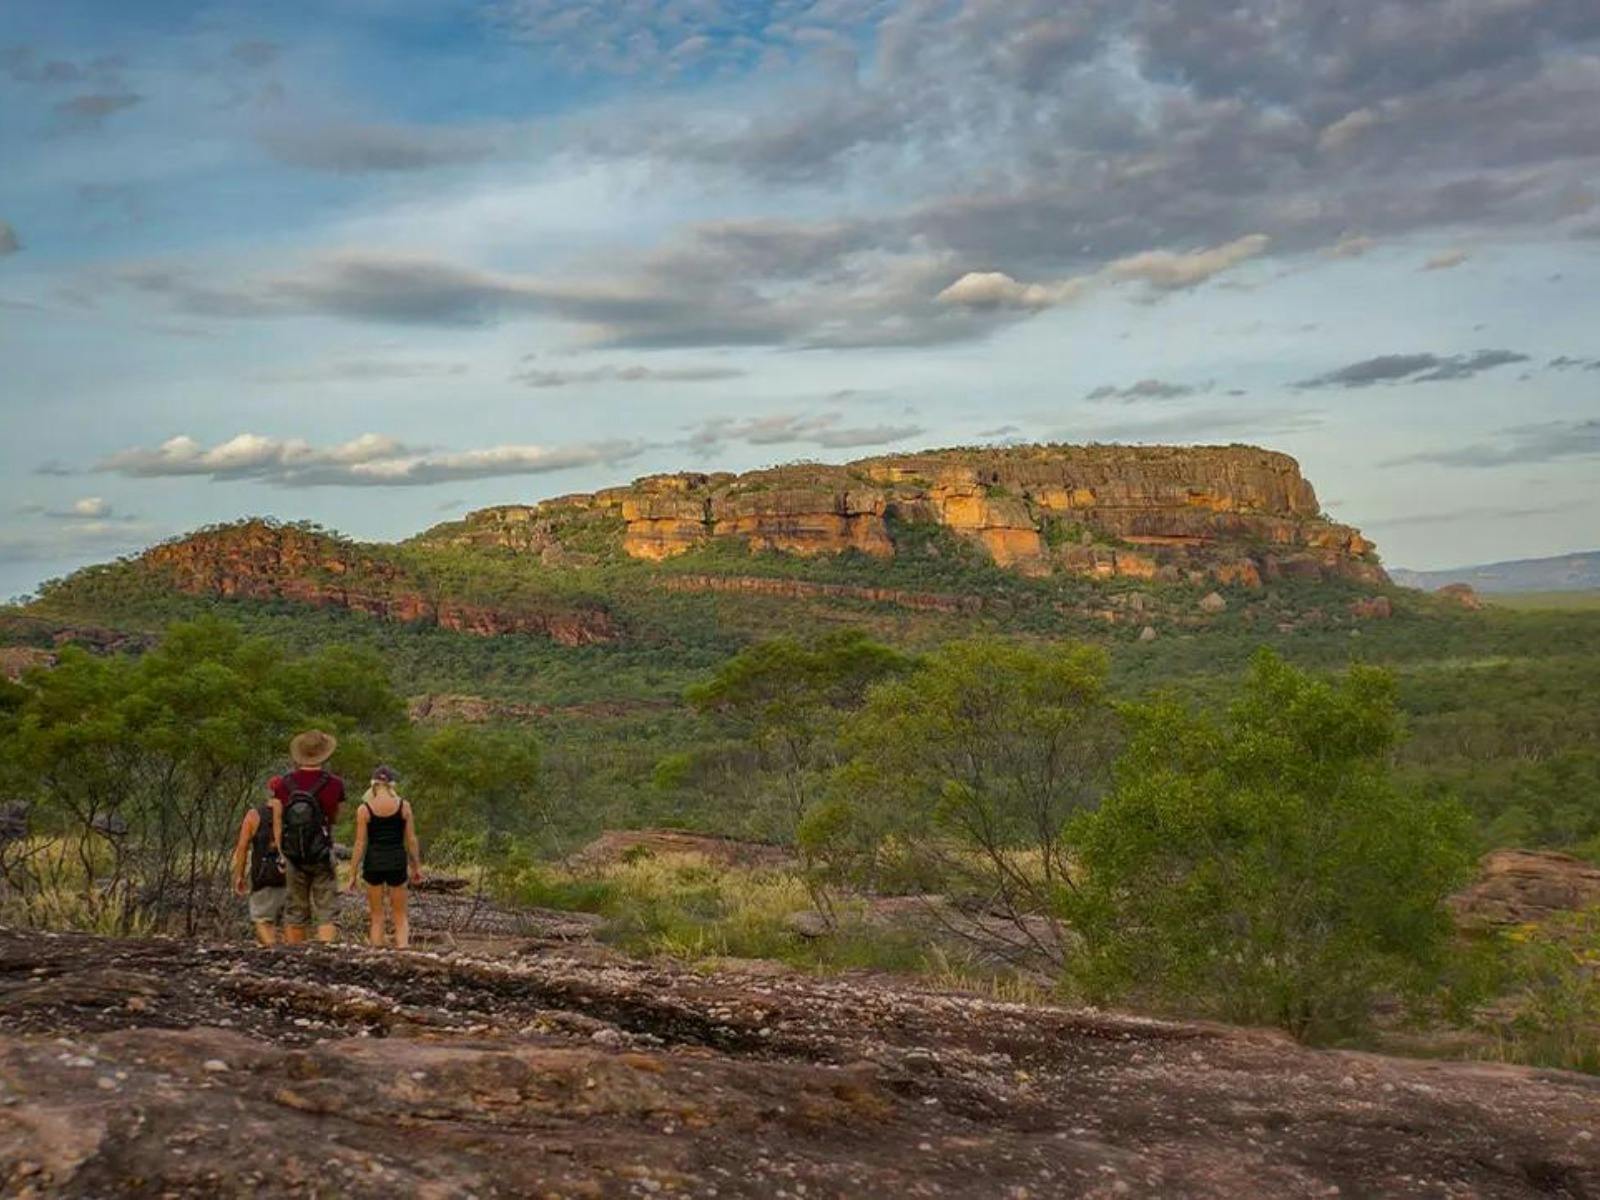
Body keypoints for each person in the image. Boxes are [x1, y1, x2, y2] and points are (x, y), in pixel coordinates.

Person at [269, 730, 346, 945]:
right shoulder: (335, 784)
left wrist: (281, 851)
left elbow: (277, 820)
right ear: (324, 754)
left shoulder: (283, 785)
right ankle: (326, 952)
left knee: (295, 910)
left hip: (293, 853)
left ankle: (296, 957)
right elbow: (335, 817)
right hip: (321, 852)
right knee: (326, 910)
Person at [343, 765, 423, 948]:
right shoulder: (404, 806)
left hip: (374, 863)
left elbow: (359, 843)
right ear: (391, 785)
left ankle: (376, 956)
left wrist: (352, 874)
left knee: (377, 916)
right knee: (400, 916)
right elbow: (411, 839)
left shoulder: (364, 809)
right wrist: (416, 867)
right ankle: (403, 953)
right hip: (396, 862)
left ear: (373, 784)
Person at [230, 800, 286, 944]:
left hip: (265, 877)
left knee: (262, 919)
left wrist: (239, 875)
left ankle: (273, 949)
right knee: (293, 923)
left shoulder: (254, 815)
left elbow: (242, 847)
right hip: (292, 876)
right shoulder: (293, 813)